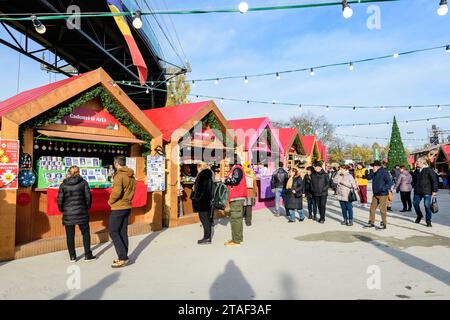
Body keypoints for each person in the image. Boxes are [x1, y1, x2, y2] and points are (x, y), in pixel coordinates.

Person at [57, 166, 96, 262]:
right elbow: (88, 198)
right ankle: (88, 255)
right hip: (81, 212)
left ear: (69, 173)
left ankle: (72, 256)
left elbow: (60, 200)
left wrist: (63, 210)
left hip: (68, 213)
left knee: (70, 236)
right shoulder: (83, 183)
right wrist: (86, 207)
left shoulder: (63, 185)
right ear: (78, 172)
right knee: (85, 233)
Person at [108, 156, 136, 268]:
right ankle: (124, 256)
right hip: (127, 206)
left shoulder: (119, 176)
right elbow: (133, 191)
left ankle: (122, 257)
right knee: (122, 232)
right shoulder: (131, 175)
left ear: (116, 163)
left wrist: (110, 201)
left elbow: (116, 193)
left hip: (118, 207)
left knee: (113, 232)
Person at [223, 157, 248, 247]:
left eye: (227, 160)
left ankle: (236, 241)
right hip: (236, 197)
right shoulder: (236, 168)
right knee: (237, 219)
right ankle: (238, 238)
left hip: (236, 197)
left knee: (235, 219)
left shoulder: (237, 168)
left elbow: (235, 181)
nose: (225, 161)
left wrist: (224, 180)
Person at [364, 160, 393, 229]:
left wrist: (383, 188)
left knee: (382, 209)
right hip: (375, 193)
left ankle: (384, 223)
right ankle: (371, 222)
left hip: (383, 194)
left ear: (378, 166)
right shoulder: (374, 172)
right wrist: (364, 175)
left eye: (373, 166)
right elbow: (369, 177)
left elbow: (389, 183)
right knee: (372, 209)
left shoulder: (384, 172)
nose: (372, 168)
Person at [191, 162, 214, 244]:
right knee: (206, 219)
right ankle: (207, 237)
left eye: (197, 167)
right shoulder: (208, 175)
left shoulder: (202, 175)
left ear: (199, 167)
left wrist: (195, 198)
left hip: (202, 201)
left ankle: (207, 238)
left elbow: (200, 189)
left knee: (204, 220)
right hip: (207, 200)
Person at [413, 157, 438, 227]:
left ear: (422, 162)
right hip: (417, 191)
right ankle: (419, 215)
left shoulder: (429, 170)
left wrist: (434, 191)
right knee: (415, 204)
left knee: (427, 206)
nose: (416, 162)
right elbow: (413, 179)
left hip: (427, 191)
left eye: (418, 161)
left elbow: (434, 180)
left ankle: (428, 221)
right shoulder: (417, 170)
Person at [243, 161, 258, 226]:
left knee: (243, 205)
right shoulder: (252, 173)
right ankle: (248, 221)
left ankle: (243, 216)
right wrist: (255, 192)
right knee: (249, 206)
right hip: (251, 192)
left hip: (244, 192)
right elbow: (255, 183)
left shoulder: (242, 172)